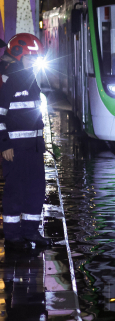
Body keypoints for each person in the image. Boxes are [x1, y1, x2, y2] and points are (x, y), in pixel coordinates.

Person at [1, 33, 52, 251]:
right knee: (15, 191)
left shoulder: (29, 79)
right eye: (31, 58)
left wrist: (40, 141)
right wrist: (4, 144)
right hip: (15, 149)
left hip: (32, 148)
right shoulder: (9, 82)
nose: (34, 62)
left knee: (35, 190)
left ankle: (30, 230)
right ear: (19, 55)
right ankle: (12, 236)